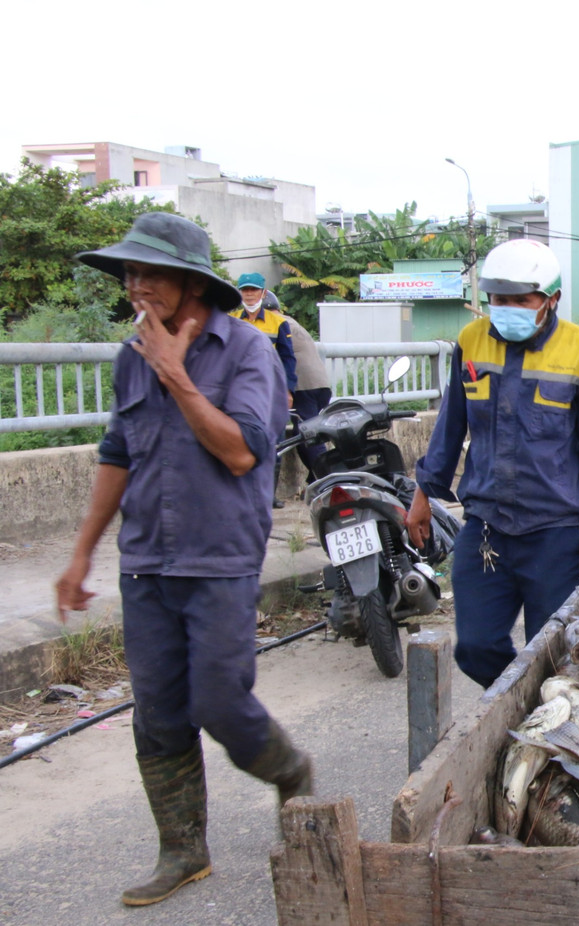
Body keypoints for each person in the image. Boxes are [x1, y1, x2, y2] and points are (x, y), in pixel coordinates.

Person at [54, 213, 312, 907]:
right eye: (128, 274)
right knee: (159, 714)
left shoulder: (247, 353)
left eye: (148, 273)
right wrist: (80, 555)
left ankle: (291, 772)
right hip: (146, 562)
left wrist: (177, 376)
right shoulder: (130, 355)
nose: (135, 286)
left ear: (193, 283)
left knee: (220, 701)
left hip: (219, 558)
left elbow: (240, 451)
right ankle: (183, 849)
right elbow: (115, 456)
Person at [405, 240, 579, 689]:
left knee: (554, 650)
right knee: (476, 647)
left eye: (522, 300)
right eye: (499, 300)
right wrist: (421, 498)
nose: (508, 309)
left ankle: (545, 726)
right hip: (486, 526)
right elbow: (449, 427)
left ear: (551, 299)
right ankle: (516, 706)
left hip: (553, 532)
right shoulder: (471, 342)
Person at [233, 272, 297, 505]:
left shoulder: (278, 322)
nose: (249, 294)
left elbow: (288, 359)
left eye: (253, 290)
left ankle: (269, 494)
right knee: (242, 440)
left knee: (274, 442)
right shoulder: (232, 319)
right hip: (241, 391)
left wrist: (288, 390)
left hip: (271, 390)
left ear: (263, 293)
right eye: (245, 290)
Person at [280, 312, 333, 471]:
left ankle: (328, 476)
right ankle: (315, 479)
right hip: (321, 384)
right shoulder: (293, 322)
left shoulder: (276, 324)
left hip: (303, 386)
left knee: (308, 433)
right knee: (302, 435)